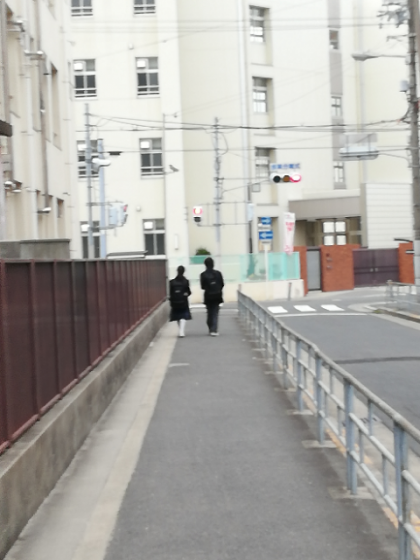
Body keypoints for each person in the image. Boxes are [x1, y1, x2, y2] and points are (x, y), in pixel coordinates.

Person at [200, 257, 224, 336]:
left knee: (209, 311)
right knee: (215, 312)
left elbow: (202, 286)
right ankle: (213, 329)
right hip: (217, 295)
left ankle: (211, 326)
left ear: (205, 265)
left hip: (208, 296)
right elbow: (222, 284)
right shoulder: (218, 273)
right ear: (213, 264)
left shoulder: (203, 275)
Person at [169, 266, 192, 338]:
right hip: (183, 301)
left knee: (178, 316)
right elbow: (189, 292)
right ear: (184, 272)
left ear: (177, 271)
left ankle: (180, 330)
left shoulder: (172, 282)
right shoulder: (186, 281)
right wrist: (186, 294)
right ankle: (181, 331)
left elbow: (170, 293)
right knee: (183, 316)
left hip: (174, 301)